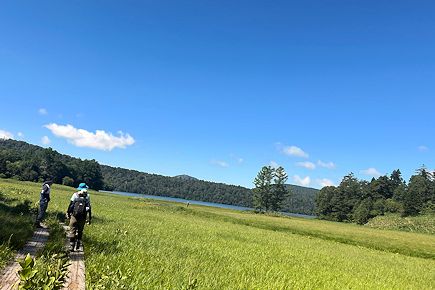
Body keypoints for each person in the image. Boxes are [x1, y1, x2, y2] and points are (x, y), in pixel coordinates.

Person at [67, 183, 92, 251]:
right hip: (83, 216)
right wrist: (89, 218)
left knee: (72, 230)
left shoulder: (75, 195)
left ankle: (71, 246)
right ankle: (78, 244)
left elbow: (71, 205)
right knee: (80, 231)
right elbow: (89, 207)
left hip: (74, 216)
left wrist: (68, 213)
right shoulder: (87, 196)